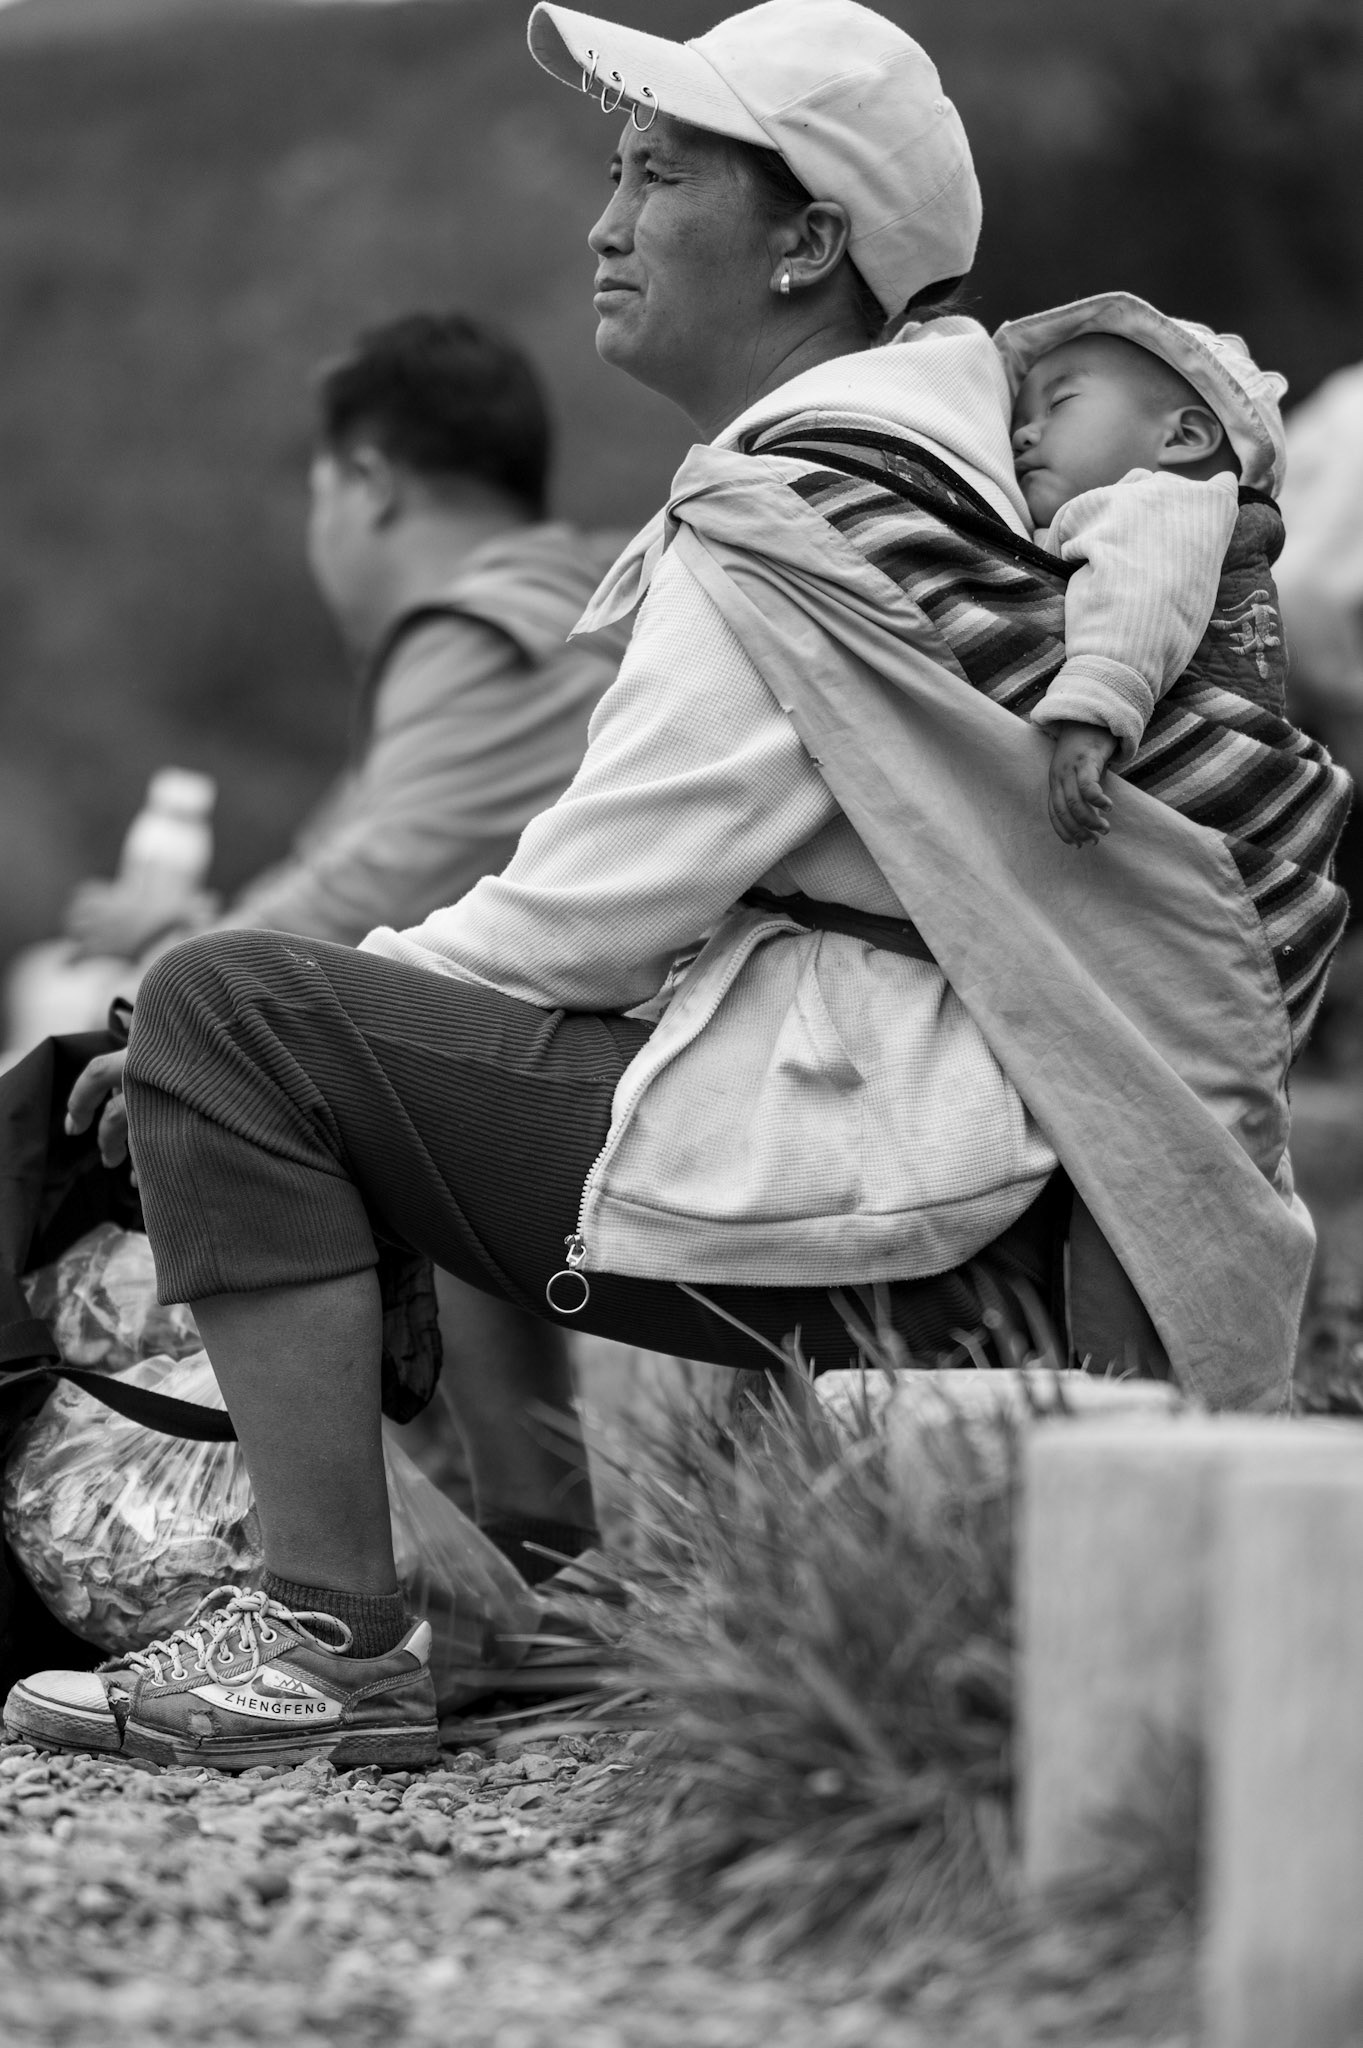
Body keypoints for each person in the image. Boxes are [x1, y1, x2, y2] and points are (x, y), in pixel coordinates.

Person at [5, 0, 1348, 1771]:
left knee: (228, 1011)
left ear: (808, 243)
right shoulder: (965, 459)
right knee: (343, 1035)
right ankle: (499, 1581)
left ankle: (335, 1634)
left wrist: (202, 1049)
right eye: (612, 173)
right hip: (1035, 1185)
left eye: (654, 175)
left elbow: (574, 923)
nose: (603, 220)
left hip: (902, 1182)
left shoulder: (786, 513)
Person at [63, 312, 632, 1580]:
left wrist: (175, 980)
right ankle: (532, 1543)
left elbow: (374, 875)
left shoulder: (476, 625)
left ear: (366, 482)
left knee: (282, 1054)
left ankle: (357, 1600)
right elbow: (359, 852)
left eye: (320, 489)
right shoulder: (578, 594)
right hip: (678, 1061)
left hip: (643, 1105)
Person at [993, 296, 1290, 848]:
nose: (1022, 436)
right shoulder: (1207, 525)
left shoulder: (1157, 504)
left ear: (1182, 439)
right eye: (1018, 421)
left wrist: (1092, 717)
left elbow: (1139, 593)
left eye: (1059, 403)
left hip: (1155, 771)